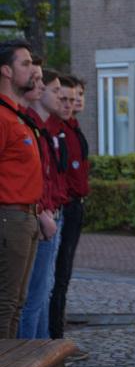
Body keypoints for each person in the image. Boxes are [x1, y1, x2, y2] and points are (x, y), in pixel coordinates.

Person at [17, 64, 67, 339]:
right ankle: (29, 361)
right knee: (30, 300)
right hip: (34, 215)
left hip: (47, 212)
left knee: (41, 294)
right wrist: (41, 210)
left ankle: (42, 355)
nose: (63, 99)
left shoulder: (40, 126)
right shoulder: (24, 123)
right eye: (57, 91)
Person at [0, 39, 42, 339]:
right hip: (10, 218)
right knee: (6, 302)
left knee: (17, 302)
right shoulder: (3, 118)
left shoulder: (17, 115)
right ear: (6, 71)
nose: (32, 70)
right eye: (25, 64)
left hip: (27, 217)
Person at [49, 76, 90, 359]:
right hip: (63, 206)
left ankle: (56, 337)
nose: (75, 102)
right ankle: (53, 339)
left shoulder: (72, 128)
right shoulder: (57, 130)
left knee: (62, 277)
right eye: (65, 97)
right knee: (56, 278)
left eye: (77, 96)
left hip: (73, 205)